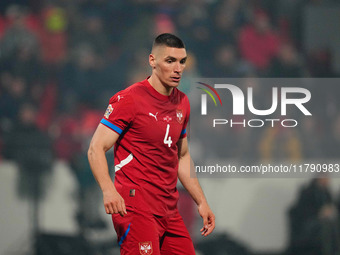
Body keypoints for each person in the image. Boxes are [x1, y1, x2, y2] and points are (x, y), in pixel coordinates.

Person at [87, 33, 215, 254]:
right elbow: (95, 148)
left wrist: (201, 201)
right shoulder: (129, 99)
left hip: (168, 209)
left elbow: (182, 156)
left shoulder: (182, 102)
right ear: (152, 61)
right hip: (135, 207)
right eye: (170, 61)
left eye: (182, 61)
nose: (178, 68)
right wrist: (108, 190)